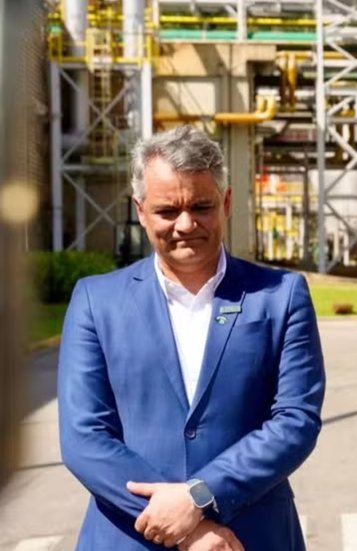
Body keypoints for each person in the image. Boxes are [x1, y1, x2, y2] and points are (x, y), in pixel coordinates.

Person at [58, 126, 326, 551]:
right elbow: (83, 437)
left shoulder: (281, 295)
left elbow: (296, 421)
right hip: (130, 536)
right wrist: (184, 525)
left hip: (249, 536)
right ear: (140, 210)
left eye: (201, 206)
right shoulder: (95, 301)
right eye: (167, 211)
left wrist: (201, 496)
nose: (186, 224)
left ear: (226, 203)